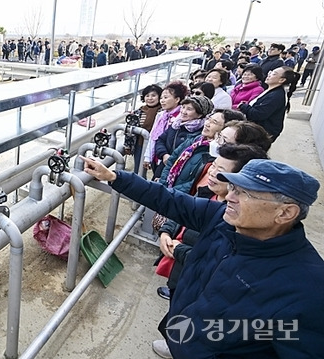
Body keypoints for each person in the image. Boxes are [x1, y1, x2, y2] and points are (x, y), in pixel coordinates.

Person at [81, 155, 323, 359]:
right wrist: (115, 177)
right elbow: (170, 199)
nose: (230, 197)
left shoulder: (307, 289)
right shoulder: (222, 218)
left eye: (246, 193)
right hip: (184, 331)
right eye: (234, 188)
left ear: (285, 213)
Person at [153, 143, 269, 357]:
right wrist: (166, 231)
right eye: (213, 166)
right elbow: (179, 209)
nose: (212, 172)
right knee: (178, 301)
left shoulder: (234, 220)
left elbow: (210, 261)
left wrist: (178, 250)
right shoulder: (207, 194)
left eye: (221, 171)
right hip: (181, 268)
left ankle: (177, 346)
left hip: (190, 273)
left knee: (189, 313)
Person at [154, 95, 213, 180]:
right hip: (163, 168)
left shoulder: (201, 134)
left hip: (180, 175)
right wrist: (164, 155)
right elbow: (160, 140)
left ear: (200, 114)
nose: (183, 111)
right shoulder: (176, 125)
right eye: (183, 107)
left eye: (189, 109)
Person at [238, 66, 300, 142]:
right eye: (270, 72)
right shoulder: (271, 90)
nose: (269, 75)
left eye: (274, 74)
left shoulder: (276, 96)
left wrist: (243, 106)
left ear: (282, 80)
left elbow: (258, 114)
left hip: (262, 134)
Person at [143, 81, 188, 177]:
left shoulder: (181, 118)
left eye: (166, 97)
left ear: (177, 99)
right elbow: (153, 136)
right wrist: (148, 157)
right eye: (161, 98)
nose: (162, 100)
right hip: (157, 155)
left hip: (168, 159)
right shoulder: (161, 115)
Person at [130, 85, 162, 173]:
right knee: (139, 167)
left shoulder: (163, 112)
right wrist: (128, 145)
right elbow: (131, 130)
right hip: (140, 143)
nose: (150, 98)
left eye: (153, 95)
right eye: (147, 96)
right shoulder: (139, 111)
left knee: (156, 169)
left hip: (156, 145)